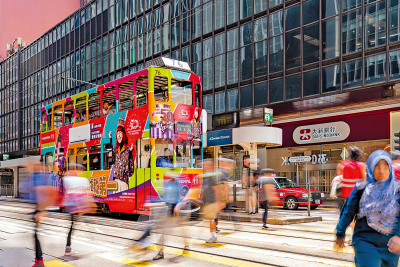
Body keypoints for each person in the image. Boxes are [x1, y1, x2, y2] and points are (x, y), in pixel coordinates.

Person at [335, 150, 400, 267]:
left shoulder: (397, 190)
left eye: (386, 166)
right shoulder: (361, 189)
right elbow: (348, 212)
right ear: (370, 167)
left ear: (391, 168)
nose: (382, 171)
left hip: (391, 245)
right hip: (365, 242)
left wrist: (398, 235)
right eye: (377, 166)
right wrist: (340, 231)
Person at [108, 114, 134, 192]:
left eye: (120, 133)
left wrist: (130, 154)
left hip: (124, 183)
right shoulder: (116, 149)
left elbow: (131, 170)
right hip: (116, 182)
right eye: (117, 133)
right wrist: (110, 140)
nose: (118, 135)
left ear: (124, 134)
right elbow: (111, 160)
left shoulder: (128, 149)